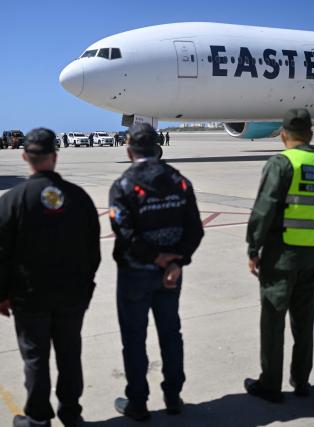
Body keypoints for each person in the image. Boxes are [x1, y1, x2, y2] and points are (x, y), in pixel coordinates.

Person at [0, 128, 101, 427]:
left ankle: (38, 418)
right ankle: (71, 413)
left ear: (25, 156)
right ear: (55, 157)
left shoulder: (12, 200)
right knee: (70, 354)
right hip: (72, 296)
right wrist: (86, 288)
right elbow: (93, 251)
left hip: (30, 297)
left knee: (36, 358)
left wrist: (0, 294)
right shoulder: (79, 198)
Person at [109, 123, 204, 420]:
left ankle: (138, 402)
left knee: (134, 338)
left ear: (129, 150)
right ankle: (173, 396)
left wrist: (157, 257)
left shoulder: (123, 185)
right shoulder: (180, 181)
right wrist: (176, 262)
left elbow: (124, 233)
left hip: (136, 273)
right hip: (171, 274)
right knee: (170, 333)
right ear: (156, 147)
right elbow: (195, 229)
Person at [245, 109, 314, 402]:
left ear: (283, 134)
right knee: (304, 321)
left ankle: (271, 385)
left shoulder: (281, 164)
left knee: (273, 321)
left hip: (281, 257)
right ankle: (302, 381)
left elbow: (264, 209)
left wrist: (253, 247)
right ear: (311, 134)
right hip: (313, 256)